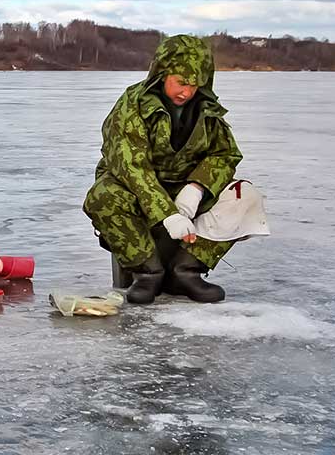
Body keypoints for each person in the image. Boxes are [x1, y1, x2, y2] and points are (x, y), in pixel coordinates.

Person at [83, 34, 268, 305]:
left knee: (245, 196)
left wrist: (196, 189)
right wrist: (167, 214)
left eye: (195, 85)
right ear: (162, 73)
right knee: (103, 196)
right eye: (181, 82)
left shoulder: (207, 110)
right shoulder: (132, 104)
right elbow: (132, 166)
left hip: (184, 186)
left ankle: (186, 271)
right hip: (136, 188)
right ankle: (148, 272)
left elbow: (225, 154)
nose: (187, 92)